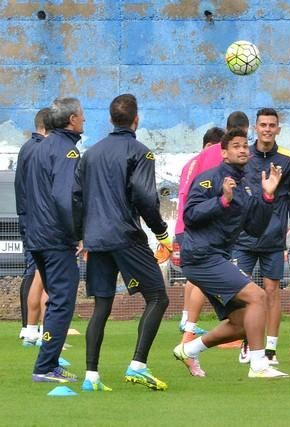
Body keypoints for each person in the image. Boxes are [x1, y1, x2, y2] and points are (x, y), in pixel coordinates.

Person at [173, 128, 290, 378]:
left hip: (217, 256)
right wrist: (222, 201)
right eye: (236, 146)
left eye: (245, 146)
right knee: (258, 297)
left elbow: (255, 228)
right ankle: (259, 364)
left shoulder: (246, 186)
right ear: (224, 153)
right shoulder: (209, 179)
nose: (242, 150)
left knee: (241, 322)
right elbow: (190, 215)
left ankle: (189, 350)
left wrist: (268, 196)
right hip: (200, 256)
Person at [74, 94, 171, 391]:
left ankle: (91, 377)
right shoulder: (141, 153)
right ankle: (138, 365)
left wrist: (81, 235)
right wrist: (161, 232)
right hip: (125, 237)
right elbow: (144, 197)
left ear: (110, 119)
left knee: (102, 306)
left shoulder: (89, 154)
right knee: (158, 297)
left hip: (96, 239)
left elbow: (76, 198)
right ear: (136, 119)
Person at [233, 108, 290, 365]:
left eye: (272, 125)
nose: (267, 129)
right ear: (255, 128)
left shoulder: (288, 161)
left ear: (278, 129)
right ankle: (247, 343)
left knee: (271, 291)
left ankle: (270, 349)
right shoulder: (243, 156)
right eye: (263, 125)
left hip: (272, 239)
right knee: (242, 293)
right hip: (242, 238)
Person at [20, 97, 84, 383]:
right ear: (71, 119)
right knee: (62, 300)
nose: (83, 119)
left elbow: (26, 194)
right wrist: (78, 233)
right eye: (81, 115)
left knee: (55, 298)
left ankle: (49, 361)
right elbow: (65, 197)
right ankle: (45, 366)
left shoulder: (38, 148)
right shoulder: (67, 152)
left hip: (37, 236)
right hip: (56, 237)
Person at [175, 127, 225, 377]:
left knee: (194, 277)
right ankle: (188, 336)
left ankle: (187, 321)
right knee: (202, 280)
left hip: (182, 228)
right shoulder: (211, 161)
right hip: (197, 228)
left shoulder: (189, 164)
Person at [15, 108, 50, 346]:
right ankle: (33, 328)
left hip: (27, 216)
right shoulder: (41, 149)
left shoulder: (26, 147)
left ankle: (30, 327)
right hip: (39, 219)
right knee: (37, 271)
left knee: (34, 270)